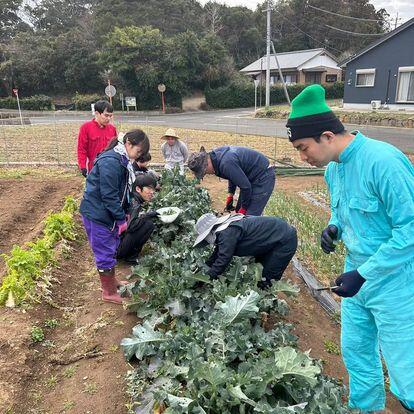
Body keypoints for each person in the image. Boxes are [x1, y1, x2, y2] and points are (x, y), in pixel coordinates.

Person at [286, 84, 414, 413]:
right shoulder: (333, 169)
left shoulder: (383, 162)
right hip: (356, 276)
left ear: (327, 136)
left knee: (407, 375)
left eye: (303, 147)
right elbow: (342, 211)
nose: (302, 157)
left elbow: (410, 230)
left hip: (396, 282)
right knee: (357, 354)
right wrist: (334, 227)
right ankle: (367, 409)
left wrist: (365, 273)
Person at [80, 129, 150, 304]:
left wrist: (124, 213)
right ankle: (108, 292)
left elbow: (122, 192)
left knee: (110, 249)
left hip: (105, 213)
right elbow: (109, 195)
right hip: (98, 215)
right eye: (138, 151)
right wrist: (120, 218)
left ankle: (113, 282)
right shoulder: (111, 162)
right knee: (104, 252)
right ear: (128, 143)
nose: (137, 157)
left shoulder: (121, 159)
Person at [193, 212, 297, 289]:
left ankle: (264, 306)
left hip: (284, 240)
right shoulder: (224, 231)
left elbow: (223, 259)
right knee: (260, 270)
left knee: (267, 277)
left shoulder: (227, 233)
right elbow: (217, 254)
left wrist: (207, 278)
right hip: (270, 240)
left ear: (210, 231)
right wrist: (202, 271)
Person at [188, 146, 276, 216]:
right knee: (238, 212)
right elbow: (232, 175)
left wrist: (244, 209)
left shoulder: (225, 163)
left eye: (204, 172)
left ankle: (260, 233)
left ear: (206, 165)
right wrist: (231, 194)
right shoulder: (216, 157)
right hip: (251, 177)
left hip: (263, 176)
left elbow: (246, 187)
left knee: (250, 216)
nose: (207, 174)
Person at [116, 174, 158, 264]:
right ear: (138, 189)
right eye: (149, 189)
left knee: (145, 222)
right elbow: (131, 226)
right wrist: (148, 215)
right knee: (148, 225)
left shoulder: (131, 198)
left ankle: (129, 255)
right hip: (117, 250)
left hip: (112, 245)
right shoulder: (135, 204)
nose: (152, 192)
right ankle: (130, 257)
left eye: (153, 189)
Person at [77, 100, 117, 177]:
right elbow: (82, 149)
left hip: (110, 169)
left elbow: (116, 149)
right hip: (94, 169)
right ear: (97, 113)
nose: (108, 118)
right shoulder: (86, 128)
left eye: (110, 116)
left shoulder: (112, 129)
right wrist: (82, 166)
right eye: (106, 115)